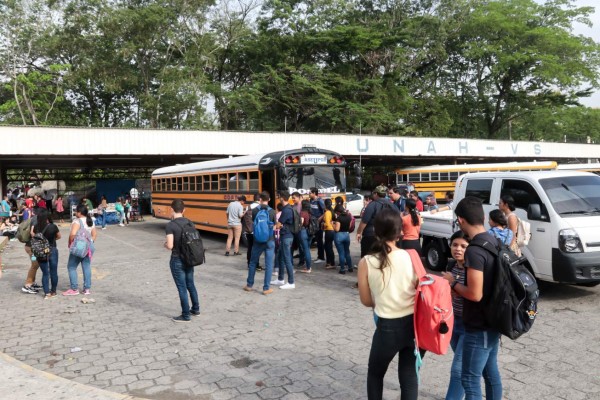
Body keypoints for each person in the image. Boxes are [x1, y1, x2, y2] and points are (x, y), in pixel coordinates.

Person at [442, 196, 503, 400]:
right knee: (490, 372)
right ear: (484, 217)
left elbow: (475, 294)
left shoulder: (475, 251)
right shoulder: (493, 240)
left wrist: (452, 282)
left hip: (479, 325)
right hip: (495, 319)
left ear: (460, 220)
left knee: (468, 378)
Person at [357, 208, 419, 400]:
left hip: (387, 328)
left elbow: (366, 301)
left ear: (376, 232)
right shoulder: (411, 256)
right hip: (414, 326)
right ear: (400, 232)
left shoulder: (366, 261)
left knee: (375, 374)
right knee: (409, 377)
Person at [441, 230, 469, 400]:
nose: (458, 249)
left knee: (458, 368)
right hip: (453, 322)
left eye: (463, 246)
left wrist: (453, 283)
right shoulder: (451, 266)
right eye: (455, 245)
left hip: (469, 325)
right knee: (467, 365)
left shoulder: (473, 270)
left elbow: (473, 296)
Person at [164, 199, 200, 322]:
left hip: (177, 259)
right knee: (191, 284)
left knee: (182, 288)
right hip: (190, 258)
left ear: (171, 209)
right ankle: (196, 309)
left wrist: (164, 244)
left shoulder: (171, 225)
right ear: (184, 210)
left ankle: (185, 315)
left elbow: (170, 245)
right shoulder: (190, 223)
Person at [243, 191, 277, 295]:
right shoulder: (273, 212)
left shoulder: (254, 211)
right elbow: (275, 226)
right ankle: (266, 288)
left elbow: (255, 224)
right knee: (269, 264)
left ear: (260, 199)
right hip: (269, 240)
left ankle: (249, 285)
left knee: (253, 262)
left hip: (257, 240)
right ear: (269, 199)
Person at [63, 204, 97, 296]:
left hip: (79, 247)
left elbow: (72, 235)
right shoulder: (90, 221)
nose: (75, 213)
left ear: (79, 213)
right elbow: (94, 235)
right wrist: (89, 242)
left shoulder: (77, 222)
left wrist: (70, 245)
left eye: (76, 211)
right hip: (89, 247)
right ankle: (87, 289)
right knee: (86, 266)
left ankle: (74, 289)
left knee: (71, 267)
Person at [356, 185, 394, 259]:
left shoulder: (372, 205)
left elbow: (364, 221)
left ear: (376, 194)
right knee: (384, 257)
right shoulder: (392, 205)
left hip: (371, 235)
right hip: (387, 236)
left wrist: (359, 232)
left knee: (368, 257)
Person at [31, 208, 61, 300]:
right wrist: (49, 241)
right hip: (52, 249)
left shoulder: (36, 227)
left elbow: (33, 235)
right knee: (53, 272)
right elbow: (59, 236)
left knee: (45, 273)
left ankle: (46, 293)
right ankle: (54, 291)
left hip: (40, 252)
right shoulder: (53, 226)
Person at [272, 190, 295, 289]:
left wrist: (276, 225)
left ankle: (291, 282)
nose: (278, 198)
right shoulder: (289, 208)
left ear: (282, 198)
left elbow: (278, 224)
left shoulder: (286, 210)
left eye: (279, 196)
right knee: (281, 257)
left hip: (286, 236)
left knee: (287, 259)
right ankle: (280, 279)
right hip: (286, 235)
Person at [333, 204, 353, 274]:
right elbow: (350, 226)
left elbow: (337, 229)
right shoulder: (348, 217)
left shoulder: (339, 218)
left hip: (339, 235)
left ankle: (342, 269)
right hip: (347, 235)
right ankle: (350, 267)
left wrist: (333, 224)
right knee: (347, 252)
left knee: (341, 253)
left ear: (338, 211)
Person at [243, 193, 261, 268]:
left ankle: (249, 263)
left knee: (250, 247)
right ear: (260, 199)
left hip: (248, 231)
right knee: (256, 248)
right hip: (256, 231)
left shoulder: (248, 207)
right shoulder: (260, 207)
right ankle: (256, 264)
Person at [309, 187, 326, 264]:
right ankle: (318, 256)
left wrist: (320, 218)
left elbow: (325, 211)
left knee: (319, 240)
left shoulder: (320, 201)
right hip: (312, 223)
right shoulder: (311, 200)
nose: (309, 194)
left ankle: (321, 257)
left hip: (318, 224)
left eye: (310, 193)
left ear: (314, 193)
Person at [298, 200, 313, 274]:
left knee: (306, 250)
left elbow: (301, 223)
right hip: (309, 231)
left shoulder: (303, 213)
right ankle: (308, 266)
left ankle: (308, 267)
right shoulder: (309, 212)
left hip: (303, 231)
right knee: (307, 249)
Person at [322, 198, 336, 269]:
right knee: (328, 246)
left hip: (328, 230)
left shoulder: (327, 212)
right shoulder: (331, 211)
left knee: (328, 247)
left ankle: (331, 262)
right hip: (331, 230)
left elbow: (327, 223)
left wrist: (323, 225)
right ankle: (330, 262)